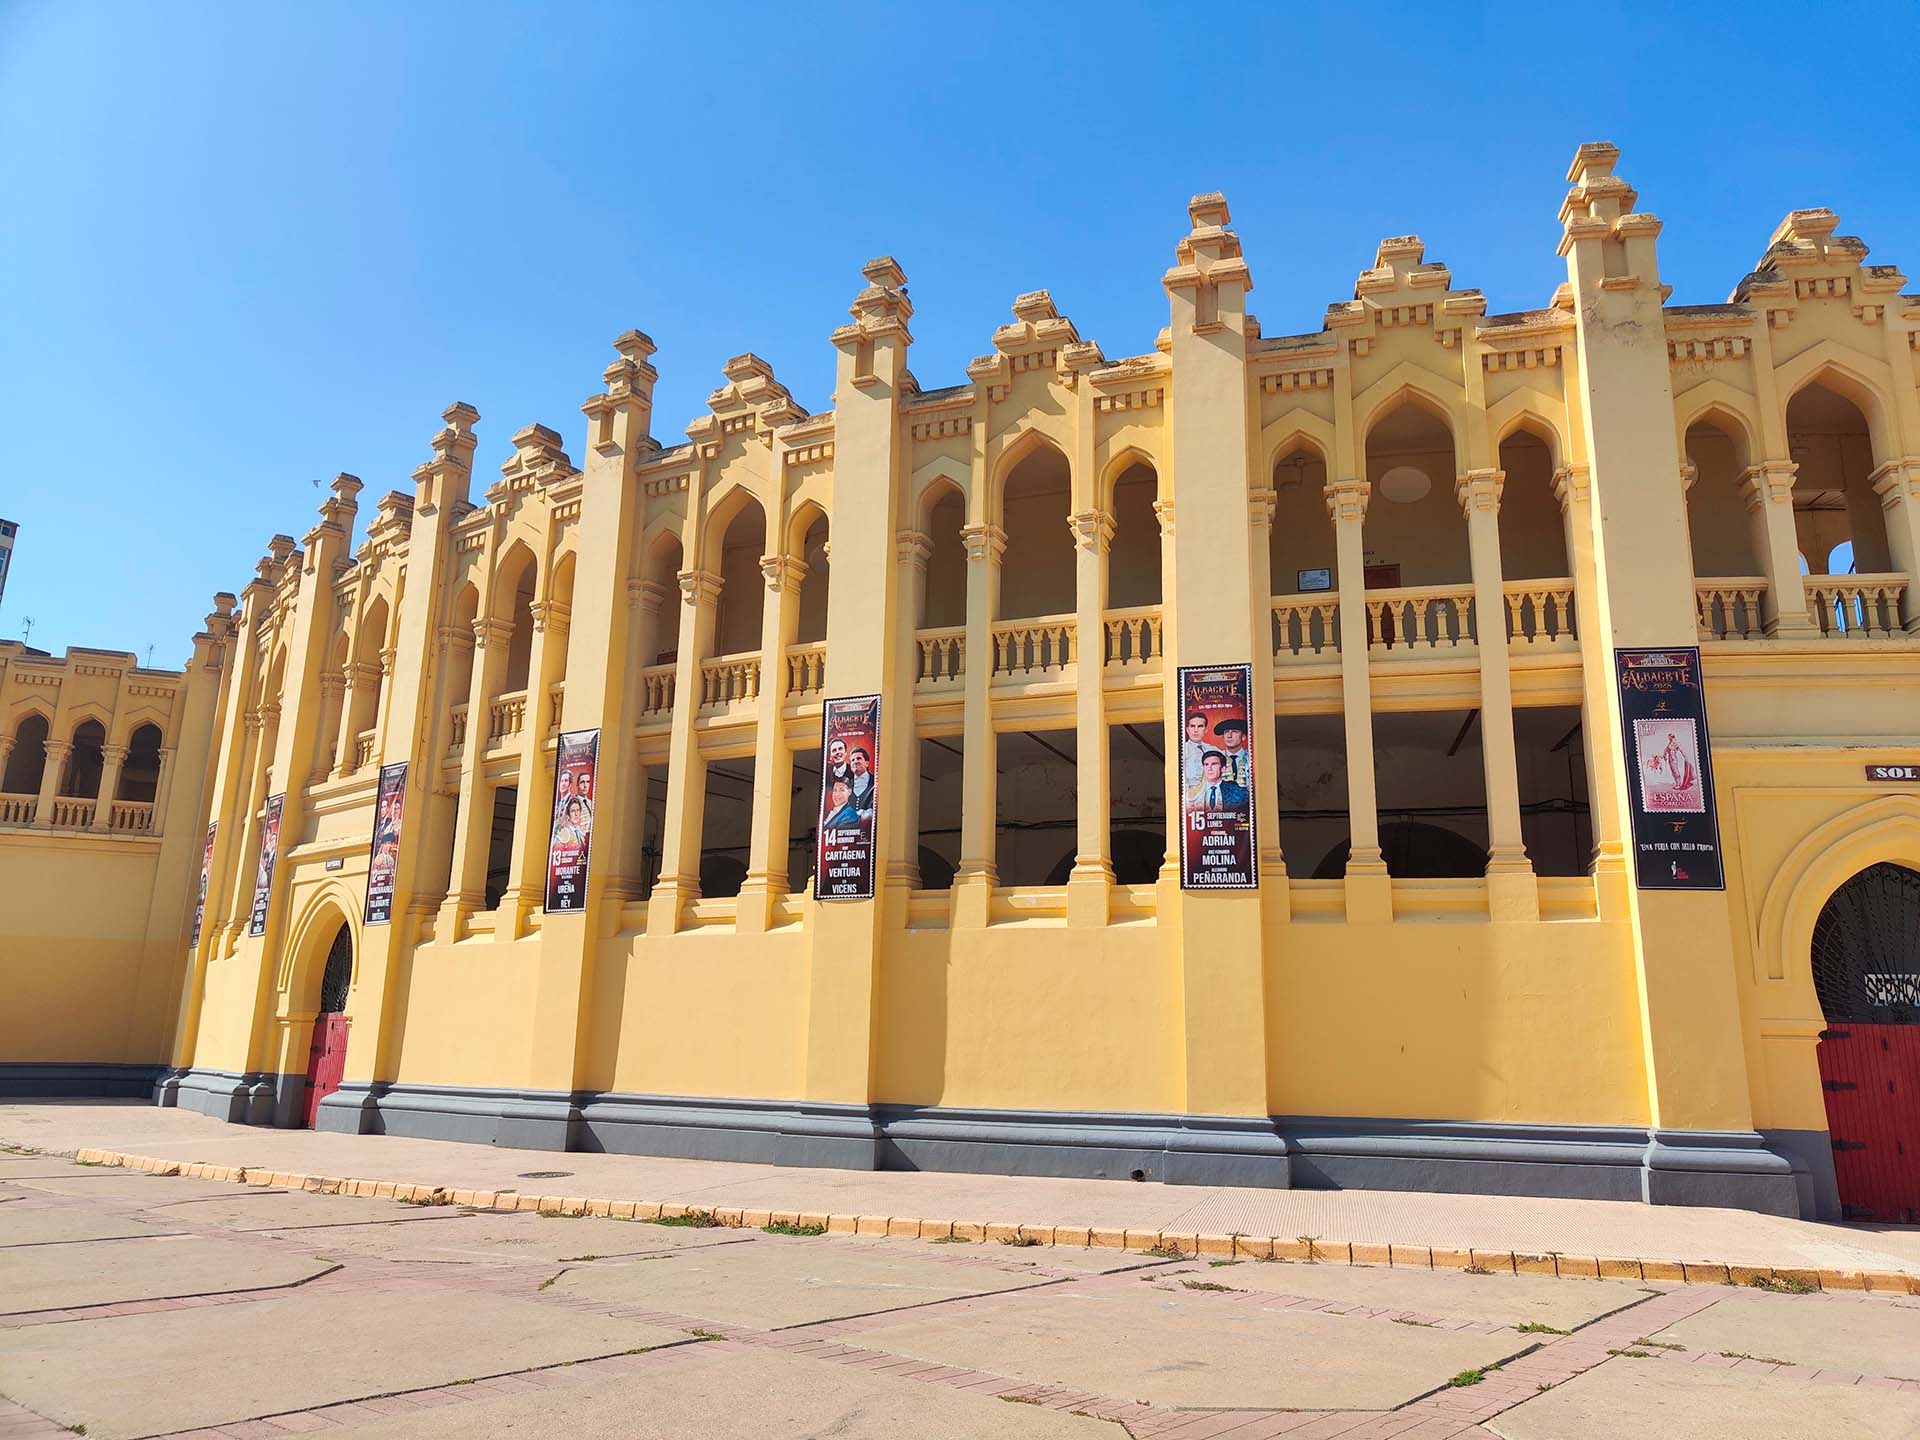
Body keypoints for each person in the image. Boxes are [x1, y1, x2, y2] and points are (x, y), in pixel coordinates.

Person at [1184, 750, 1248, 814]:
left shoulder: (1237, 791)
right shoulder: (1193, 793)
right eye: (1206, 764)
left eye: (1214, 764)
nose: (1209, 768)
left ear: (1223, 769)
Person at [1212, 716, 1250, 787]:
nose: (1229, 736)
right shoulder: (1216, 759)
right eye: (1226, 732)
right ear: (1223, 737)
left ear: (1243, 737)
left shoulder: (1251, 757)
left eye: (1234, 732)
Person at [1180, 711, 1210, 789]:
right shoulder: (1182, 750)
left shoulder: (1212, 749)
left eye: (1200, 726)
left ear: (1206, 730)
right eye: (1192, 726)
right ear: (1187, 729)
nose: (1196, 730)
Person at [848, 746, 876, 818]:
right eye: (852, 760)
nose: (855, 762)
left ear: (867, 763)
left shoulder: (876, 781)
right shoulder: (847, 784)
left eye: (858, 758)